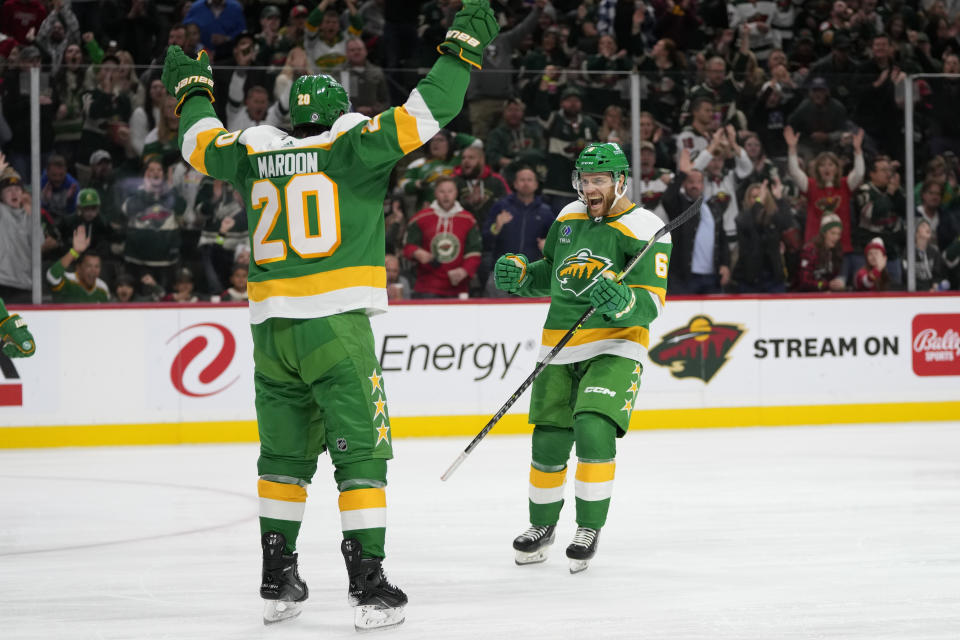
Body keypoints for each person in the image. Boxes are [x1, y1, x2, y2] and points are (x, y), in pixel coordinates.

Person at [161, 0, 498, 630]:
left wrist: (192, 92)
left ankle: (277, 580)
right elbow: (433, 109)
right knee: (361, 454)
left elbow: (197, 144)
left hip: (270, 332)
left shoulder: (254, 151)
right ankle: (369, 586)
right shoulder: (353, 146)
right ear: (339, 113)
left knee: (283, 458)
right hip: (335, 326)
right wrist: (460, 49)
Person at [491, 142, 672, 574]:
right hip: (560, 344)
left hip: (615, 345)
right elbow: (550, 274)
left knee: (592, 428)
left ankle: (588, 528)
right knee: (548, 440)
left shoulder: (647, 227)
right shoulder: (568, 216)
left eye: (598, 181)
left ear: (620, 181)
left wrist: (624, 301)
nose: (589, 189)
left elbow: (652, 302)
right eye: (585, 181)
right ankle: (542, 527)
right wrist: (520, 277)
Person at [403, 175, 482, 298]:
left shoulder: (468, 220)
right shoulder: (421, 218)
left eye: (450, 191)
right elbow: (407, 246)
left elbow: (474, 251)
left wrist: (464, 270)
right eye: (442, 191)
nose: (446, 195)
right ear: (435, 193)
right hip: (427, 287)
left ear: (456, 193)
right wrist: (416, 252)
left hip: (458, 288)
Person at [46, 226, 110, 303]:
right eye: (89, 266)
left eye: (97, 266)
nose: (93, 270)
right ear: (78, 268)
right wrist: (75, 251)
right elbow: (52, 276)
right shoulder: (67, 280)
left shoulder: (103, 288)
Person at [793, 213, 846, 292]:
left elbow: (832, 277)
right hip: (805, 297)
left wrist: (836, 284)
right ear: (824, 233)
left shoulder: (835, 251)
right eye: (832, 233)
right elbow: (804, 282)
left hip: (825, 294)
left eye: (838, 234)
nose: (836, 237)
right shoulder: (810, 250)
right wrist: (826, 285)